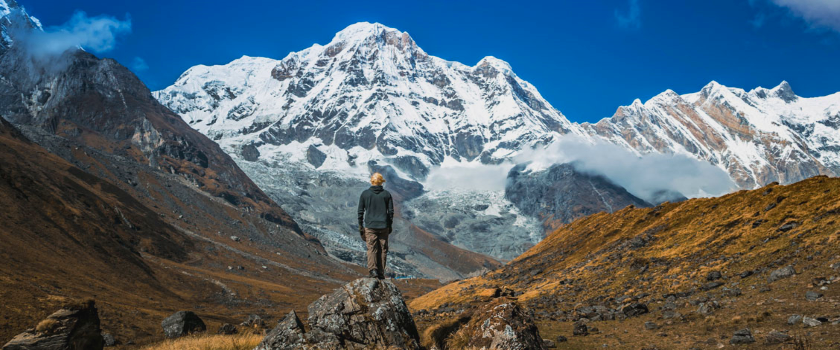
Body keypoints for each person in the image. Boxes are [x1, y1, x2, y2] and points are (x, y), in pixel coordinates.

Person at [358, 172, 394, 279]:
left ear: (372, 181)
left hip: (370, 226)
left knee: (372, 248)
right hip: (384, 226)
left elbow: (360, 211)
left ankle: (373, 270)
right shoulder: (387, 194)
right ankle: (381, 272)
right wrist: (389, 225)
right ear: (381, 182)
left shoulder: (365, 194)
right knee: (383, 249)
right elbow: (391, 212)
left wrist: (361, 226)